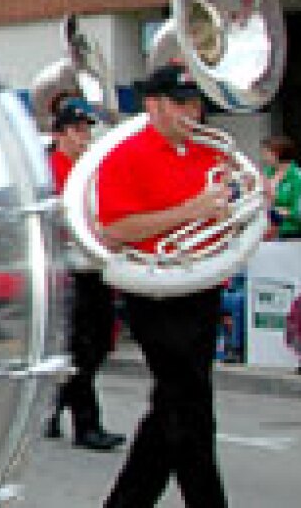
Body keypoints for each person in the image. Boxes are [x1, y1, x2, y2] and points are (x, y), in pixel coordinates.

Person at [97, 64, 228, 507]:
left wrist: (249, 202)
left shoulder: (209, 154)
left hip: (202, 287)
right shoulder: (125, 155)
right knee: (191, 404)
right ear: (152, 106)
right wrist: (191, 210)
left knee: (176, 407)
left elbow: (223, 217)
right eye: (180, 103)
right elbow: (115, 229)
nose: (191, 112)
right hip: (155, 290)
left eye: (195, 103)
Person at [41, 102, 126, 451]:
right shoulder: (49, 171)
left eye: (86, 130)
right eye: (76, 130)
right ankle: (87, 425)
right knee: (81, 348)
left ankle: (52, 404)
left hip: (94, 267)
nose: (84, 137)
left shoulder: (90, 170)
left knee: (100, 343)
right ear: (59, 135)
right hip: (67, 268)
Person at [260, 135, 301, 238]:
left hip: (289, 231)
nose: (264, 157)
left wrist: (281, 211)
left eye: (267, 153)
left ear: (278, 154)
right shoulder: (267, 172)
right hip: (266, 229)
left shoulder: (297, 176)